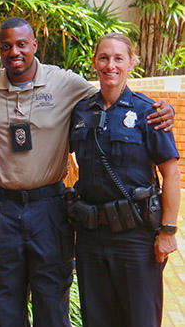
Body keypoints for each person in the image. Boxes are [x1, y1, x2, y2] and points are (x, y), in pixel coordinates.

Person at [0, 17, 174, 326]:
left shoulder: (65, 83)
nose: (14, 52)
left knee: (52, 300)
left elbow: (113, 92)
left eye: (21, 44)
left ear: (34, 45)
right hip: (1, 210)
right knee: (3, 299)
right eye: (6, 46)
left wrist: (161, 108)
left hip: (48, 209)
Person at [68, 33, 180, 326]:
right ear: (94, 62)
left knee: (140, 318)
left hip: (136, 236)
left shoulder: (149, 112)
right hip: (91, 236)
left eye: (119, 58)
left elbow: (170, 172)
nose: (110, 65)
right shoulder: (81, 112)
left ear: (132, 62)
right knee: (97, 318)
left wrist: (168, 231)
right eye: (104, 58)